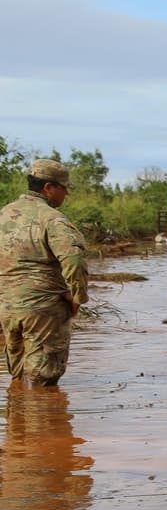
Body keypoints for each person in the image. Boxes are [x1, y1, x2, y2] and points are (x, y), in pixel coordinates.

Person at [0, 159, 89, 386]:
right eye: (64, 188)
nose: (66, 194)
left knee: (18, 377)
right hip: (43, 310)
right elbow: (74, 259)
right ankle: (45, 411)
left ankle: (17, 411)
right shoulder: (51, 218)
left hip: (8, 308)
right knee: (42, 381)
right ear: (49, 187)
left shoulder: (3, 214)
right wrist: (78, 296)